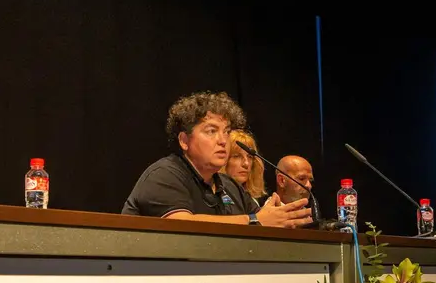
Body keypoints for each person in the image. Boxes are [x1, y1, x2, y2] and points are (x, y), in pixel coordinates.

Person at [122, 91, 311, 227]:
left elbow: (263, 219)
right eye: (211, 131)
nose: (223, 141)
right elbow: (181, 226)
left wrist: (279, 216)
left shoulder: (230, 186)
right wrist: (256, 221)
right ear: (184, 141)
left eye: (226, 132)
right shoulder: (164, 175)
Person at [275, 154, 322, 225]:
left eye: (310, 181)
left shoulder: (310, 216)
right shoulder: (266, 216)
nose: (309, 186)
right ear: (281, 180)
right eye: (301, 179)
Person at [221, 130, 266, 203]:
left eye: (250, 157)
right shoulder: (218, 197)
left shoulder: (252, 201)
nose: (246, 163)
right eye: (237, 156)